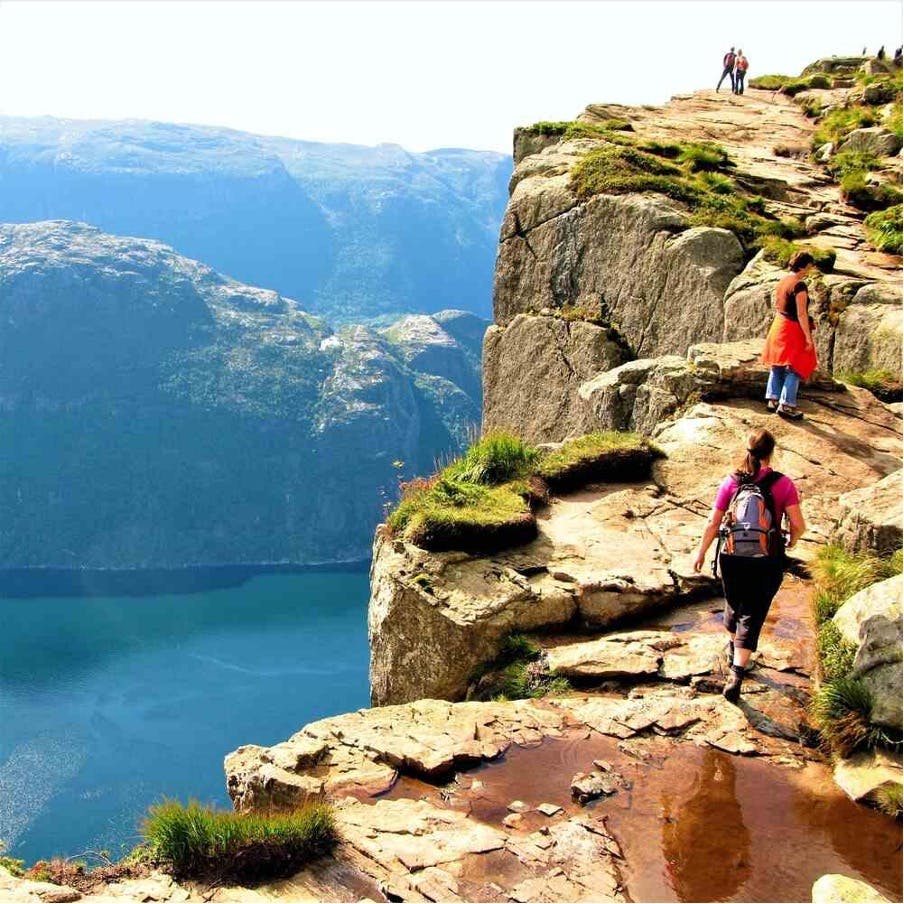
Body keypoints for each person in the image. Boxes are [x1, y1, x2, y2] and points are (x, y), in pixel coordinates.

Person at [692, 428, 806, 703]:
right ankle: (737, 673)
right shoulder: (783, 484)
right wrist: (790, 541)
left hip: (731, 556)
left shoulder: (731, 482)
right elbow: (799, 525)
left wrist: (701, 552)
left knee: (734, 603)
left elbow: (713, 523)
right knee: (753, 612)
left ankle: (734, 647)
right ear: (771, 452)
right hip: (766, 559)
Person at [761, 250, 818, 420]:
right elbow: (801, 314)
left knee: (778, 363)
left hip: (779, 325)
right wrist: (808, 338)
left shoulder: (785, 279)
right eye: (809, 266)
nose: (810, 269)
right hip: (792, 328)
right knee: (796, 366)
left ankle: (773, 399)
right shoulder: (799, 286)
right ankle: (786, 405)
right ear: (803, 267)